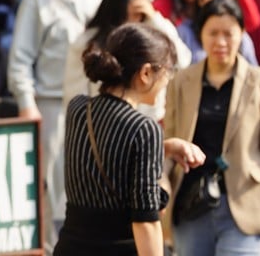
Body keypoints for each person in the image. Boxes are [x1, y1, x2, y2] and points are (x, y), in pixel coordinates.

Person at [7, 0, 105, 253]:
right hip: (51, 105)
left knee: (95, 182)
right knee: (51, 185)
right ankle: (50, 248)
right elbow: (20, 57)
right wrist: (26, 102)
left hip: (97, 105)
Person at [163, 0, 260, 256]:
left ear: (242, 34)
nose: (220, 42)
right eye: (212, 33)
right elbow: (170, 143)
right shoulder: (181, 81)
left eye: (228, 34)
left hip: (245, 200)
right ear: (200, 35)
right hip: (191, 202)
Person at [56, 23, 179, 256]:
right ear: (145, 73)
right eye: (167, 71)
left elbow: (106, 158)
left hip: (70, 247)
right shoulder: (144, 129)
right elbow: (146, 221)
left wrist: (162, 149)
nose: (168, 80)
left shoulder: (78, 108)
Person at [62, 0, 190, 120]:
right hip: (104, 121)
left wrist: (154, 18)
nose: (131, 23)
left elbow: (182, 61)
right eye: (126, 16)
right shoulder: (88, 42)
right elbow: (74, 92)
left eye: (138, 15)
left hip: (149, 118)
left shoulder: (153, 35)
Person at [175, 0, 260, 66]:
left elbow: (253, 74)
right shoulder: (184, 33)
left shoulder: (242, 38)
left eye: (228, 0)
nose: (221, 6)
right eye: (213, 33)